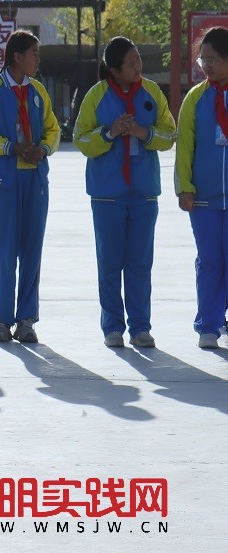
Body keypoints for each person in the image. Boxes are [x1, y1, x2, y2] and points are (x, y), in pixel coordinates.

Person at [74, 36, 175, 349]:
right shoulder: (96, 96)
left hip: (144, 194)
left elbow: (169, 135)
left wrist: (143, 133)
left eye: (138, 59)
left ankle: (141, 328)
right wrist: (110, 132)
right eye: (131, 63)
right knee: (109, 264)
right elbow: (81, 140)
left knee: (140, 264)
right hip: (107, 195)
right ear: (114, 70)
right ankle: (113, 328)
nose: (138, 66)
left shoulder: (152, 92)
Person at [0, 29, 60, 344]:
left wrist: (43, 149)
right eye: (34, 54)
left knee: (32, 252)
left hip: (35, 181)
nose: (38, 60)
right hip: (6, 182)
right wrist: (12, 147)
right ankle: (1, 321)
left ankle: (26, 320)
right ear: (17, 57)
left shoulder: (38, 91)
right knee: (6, 251)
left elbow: (53, 129)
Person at [176, 26, 228, 349]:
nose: (206, 66)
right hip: (205, 199)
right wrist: (185, 187)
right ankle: (207, 325)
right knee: (210, 260)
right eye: (202, 60)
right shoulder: (195, 98)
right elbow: (185, 147)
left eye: (212, 59)